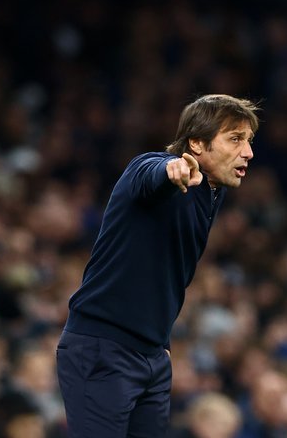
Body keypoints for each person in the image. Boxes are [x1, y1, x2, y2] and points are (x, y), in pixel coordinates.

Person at [56, 94, 260, 438]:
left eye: (249, 141)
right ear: (196, 143)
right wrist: (172, 171)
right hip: (103, 348)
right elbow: (150, 176)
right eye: (235, 139)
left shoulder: (213, 191)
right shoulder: (150, 166)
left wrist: (161, 348)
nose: (248, 152)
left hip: (152, 356)